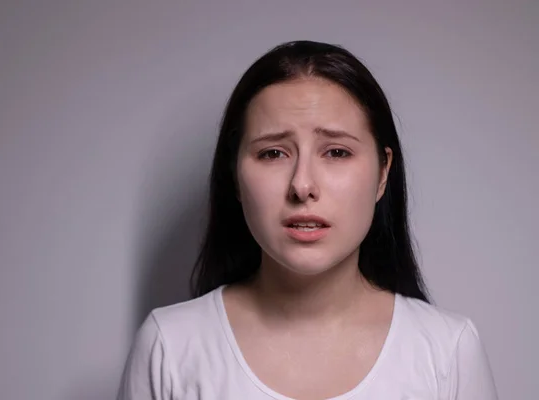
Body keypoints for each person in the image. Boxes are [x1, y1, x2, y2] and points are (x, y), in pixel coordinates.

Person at [116, 40, 498, 399]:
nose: (302, 185)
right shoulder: (169, 346)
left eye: (335, 152)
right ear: (234, 174)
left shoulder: (449, 350)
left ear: (383, 173)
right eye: (272, 154)